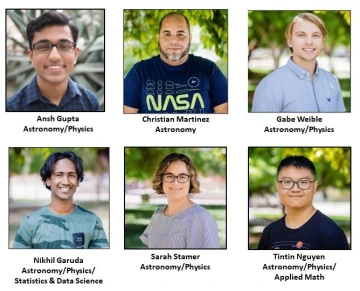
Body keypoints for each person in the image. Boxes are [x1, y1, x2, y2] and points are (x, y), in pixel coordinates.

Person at [124, 12, 228, 113]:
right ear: (158, 38)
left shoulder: (209, 69)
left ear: (190, 38)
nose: (174, 40)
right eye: (167, 34)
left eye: (180, 34)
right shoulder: (139, 72)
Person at [251, 13, 346, 112]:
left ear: (322, 42)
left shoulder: (332, 81)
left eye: (316, 35)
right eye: (301, 35)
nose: (309, 42)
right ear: (289, 41)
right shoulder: (270, 85)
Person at [7, 10, 100, 111]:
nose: (54, 57)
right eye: (43, 47)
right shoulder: (12, 108)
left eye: (64, 46)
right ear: (31, 56)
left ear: (75, 54)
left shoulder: (90, 103)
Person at [13, 151, 109, 248]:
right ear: (48, 180)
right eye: (59, 175)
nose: (66, 182)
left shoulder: (92, 221)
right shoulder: (30, 223)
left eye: (71, 175)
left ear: (78, 181)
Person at [258, 155, 349, 250]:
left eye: (303, 182)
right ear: (278, 186)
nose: (295, 189)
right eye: (287, 182)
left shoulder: (331, 234)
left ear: (314, 186)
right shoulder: (269, 232)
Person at [140, 153, 220, 248]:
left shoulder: (200, 218)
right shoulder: (158, 214)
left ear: (190, 181)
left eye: (182, 177)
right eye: (169, 176)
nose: (175, 182)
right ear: (161, 179)